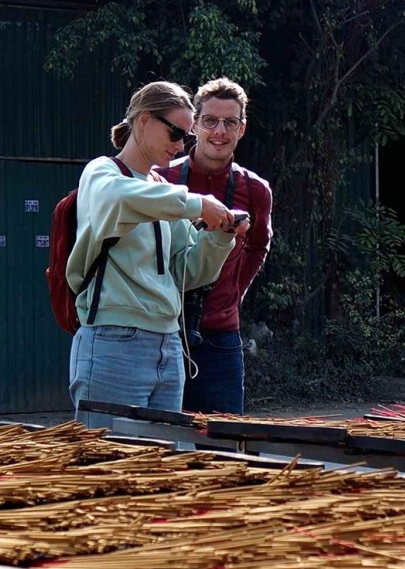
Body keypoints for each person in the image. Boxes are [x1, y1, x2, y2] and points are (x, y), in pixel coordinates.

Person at [66, 80, 246, 416]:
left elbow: (189, 271)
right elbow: (119, 197)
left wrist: (221, 236)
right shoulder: (103, 172)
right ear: (144, 120)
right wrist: (196, 204)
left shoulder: (161, 188)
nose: (180, 147)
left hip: (169, 342)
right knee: (110, 449)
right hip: (113, 339)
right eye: (175, 133)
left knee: (163, 451)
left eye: (186, 137)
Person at [156, 77, 273, 413]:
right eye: (210, 121)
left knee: (225, 439)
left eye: (230, 122)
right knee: (157, 438)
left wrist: (232, 294)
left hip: (221, 338)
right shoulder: (160, 178)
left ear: (242, 128)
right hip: (162, 333)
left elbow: (258, 246)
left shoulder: (255, 189)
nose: (219, 131)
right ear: (193, 125)